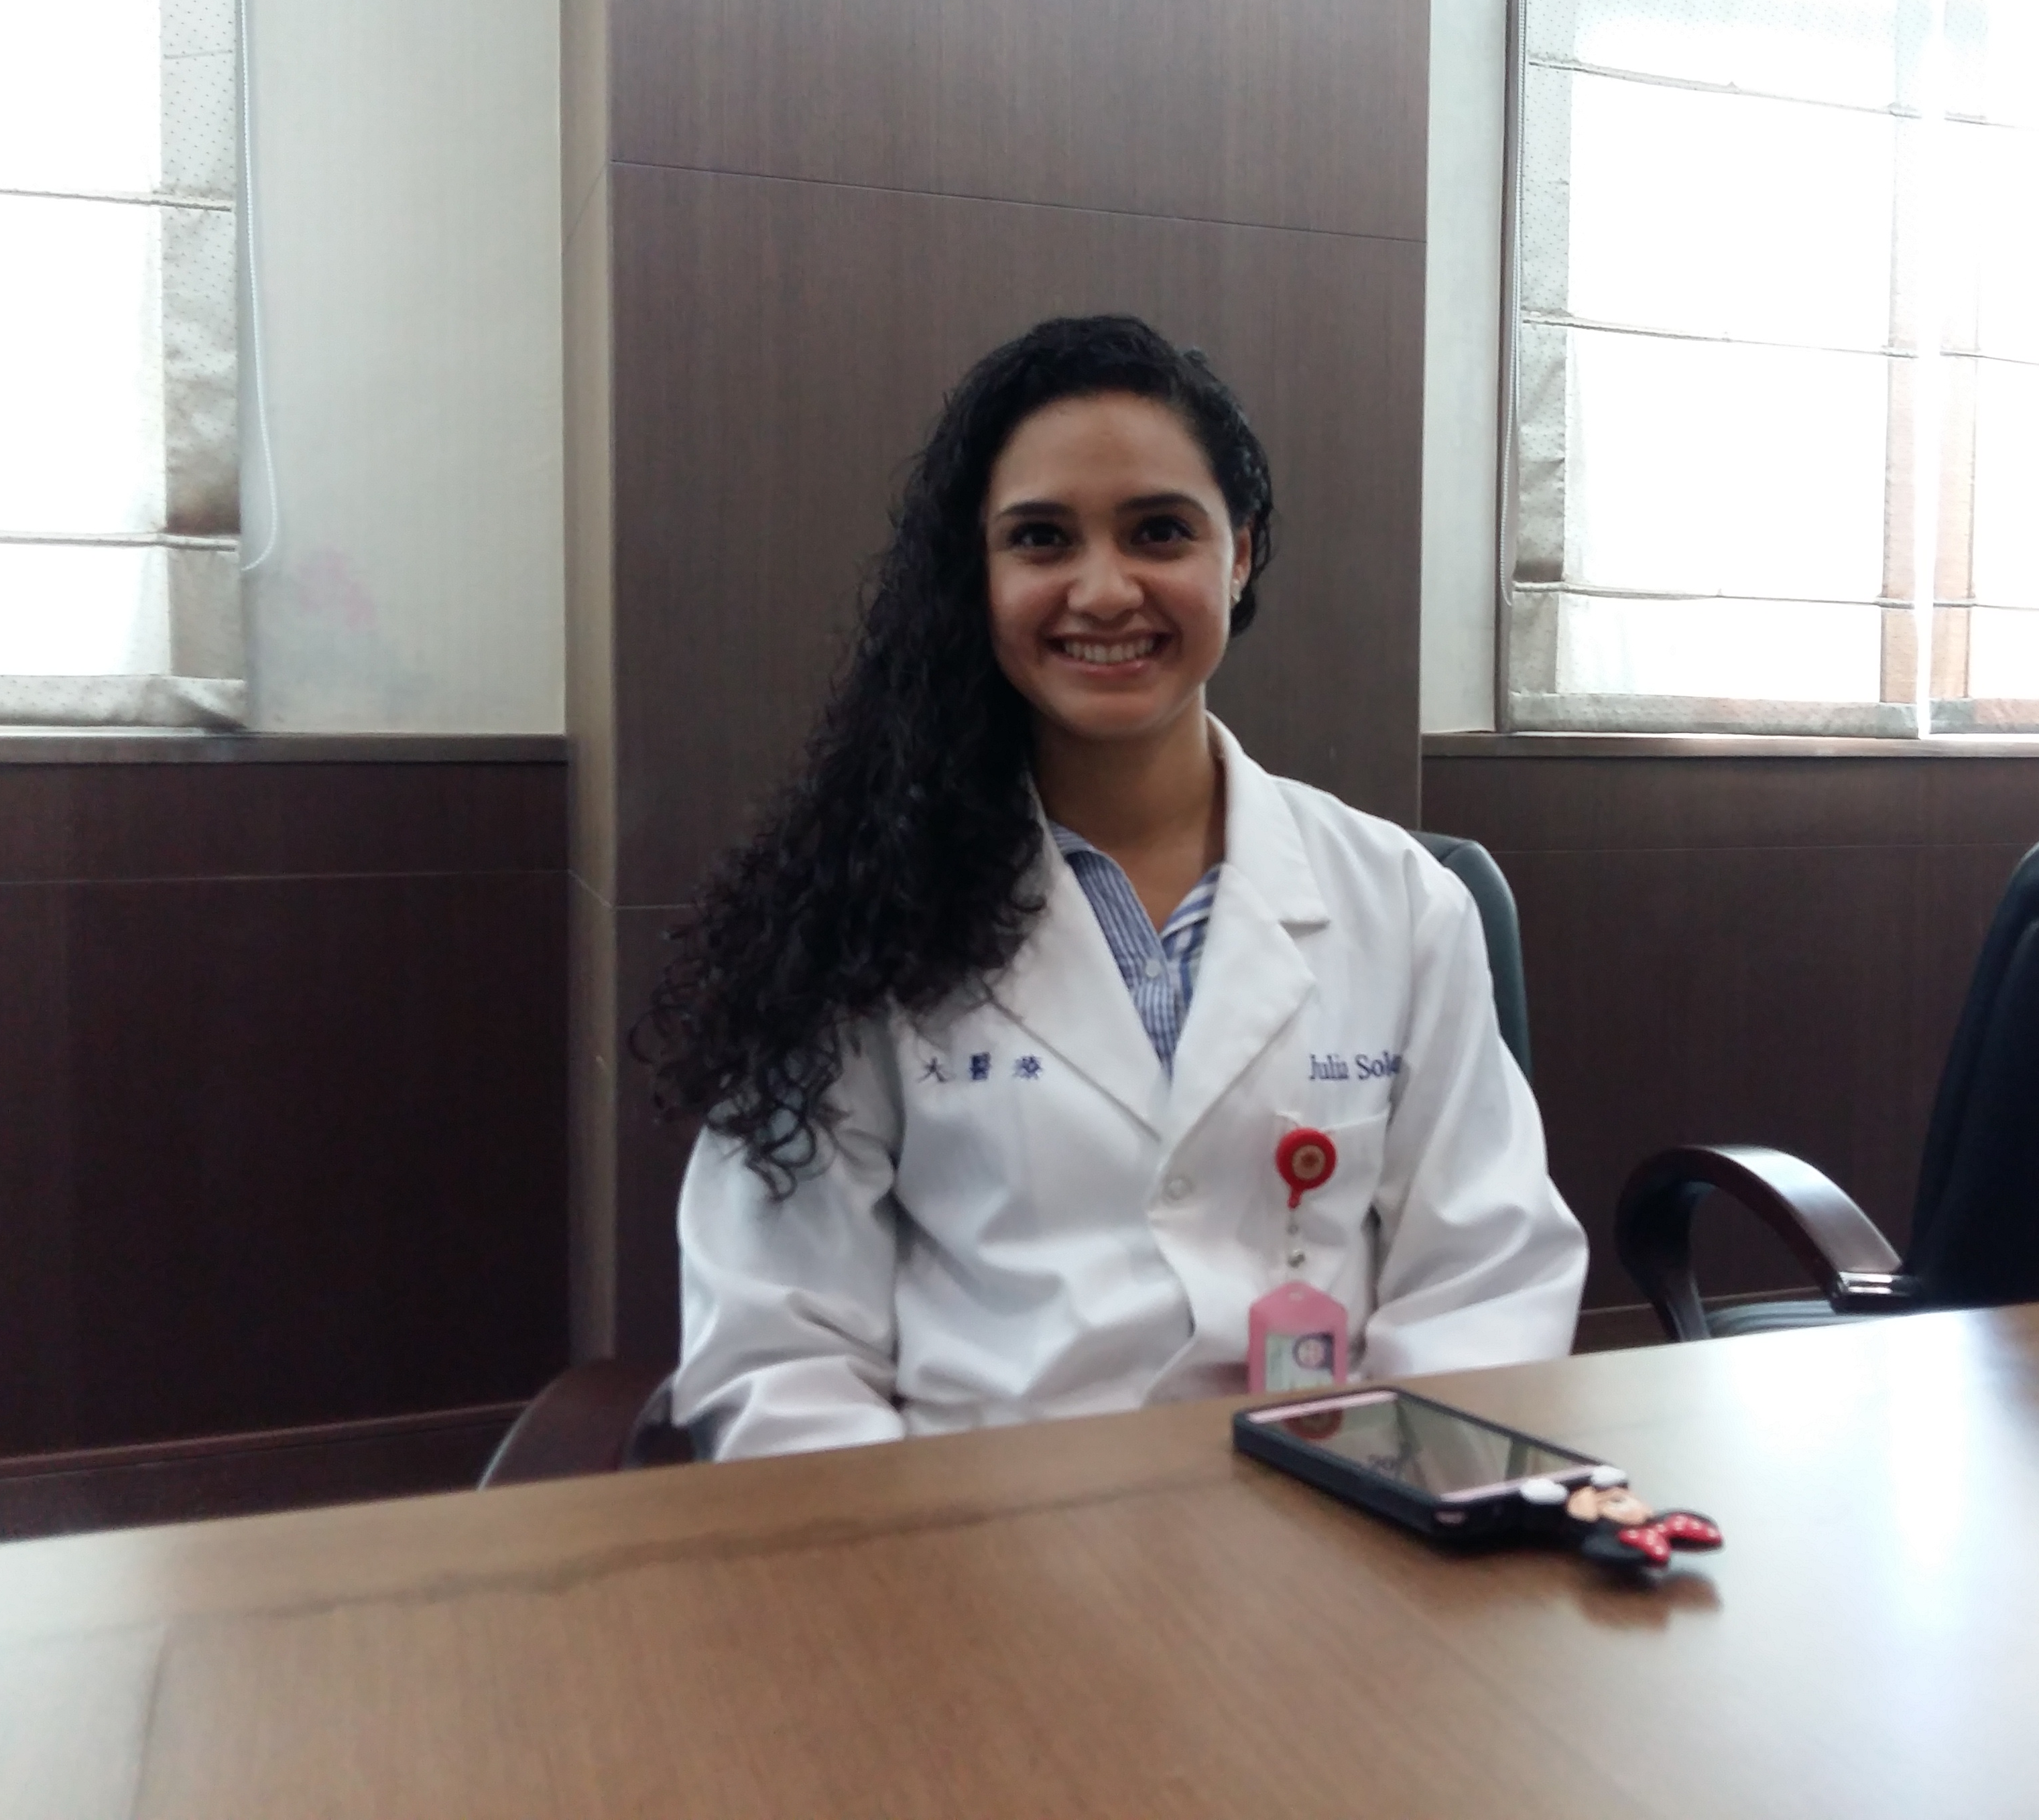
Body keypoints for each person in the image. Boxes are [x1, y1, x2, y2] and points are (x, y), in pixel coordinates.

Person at [650, 314, 1586, 1460]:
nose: (1103, 591)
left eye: (1159, 532)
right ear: (978, 574)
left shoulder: (1400, 902)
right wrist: (910, 1559)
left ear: (1238, 555)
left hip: (1319, 1520)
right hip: (977, 1530)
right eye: (1042, 539)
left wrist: (1398, 1513)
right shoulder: (858, 911)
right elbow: (780, 1349)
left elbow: (1485, 1279)